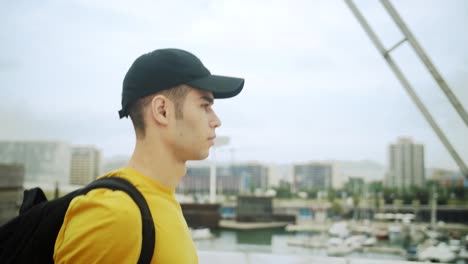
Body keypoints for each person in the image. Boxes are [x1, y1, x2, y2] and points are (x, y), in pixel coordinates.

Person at [53, 48, 244, 263]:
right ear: (162, 111)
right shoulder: (114, 215)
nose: (216, 120)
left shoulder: (160, 199)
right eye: (205, 105)